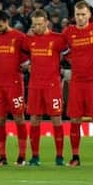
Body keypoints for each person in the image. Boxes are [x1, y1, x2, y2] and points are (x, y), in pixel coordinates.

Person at [64, 1, 93, 167]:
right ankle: (75, 156)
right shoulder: (69, 32)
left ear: (89, 15)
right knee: (75, 120)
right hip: (77, 83)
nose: (80, 18)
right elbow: (61, 48)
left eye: (83, 14)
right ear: (74, 16)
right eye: (78, 15)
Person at [24, 10, 68, 166]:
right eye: (34, 25)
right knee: (35, 119)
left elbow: (70, 49)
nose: (37, 27)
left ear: (47, 23)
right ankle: (35, 156)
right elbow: (22, 56)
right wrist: (27, 65)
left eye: (40, 24)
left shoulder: (57, 39)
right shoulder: (29, 40)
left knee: (56, 119)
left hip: (52, 86)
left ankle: (60, 156)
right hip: (35, 86)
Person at [0, 11, 29, 166]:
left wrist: (25, 66)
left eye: (0, 25)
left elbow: (28, 56)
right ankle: (2, 156)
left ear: (7, 21)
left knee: (19, 118)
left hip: (15, 85)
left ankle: (22, 156)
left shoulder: (19, 37)